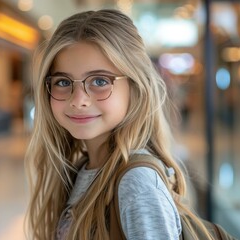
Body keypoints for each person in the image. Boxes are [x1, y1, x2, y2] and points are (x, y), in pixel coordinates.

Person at [25, 9, 213, 240]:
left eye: (100, 81)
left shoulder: (137, 184)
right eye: (63, 82)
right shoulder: (83, 170)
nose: (78, 100)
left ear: (135, 87)